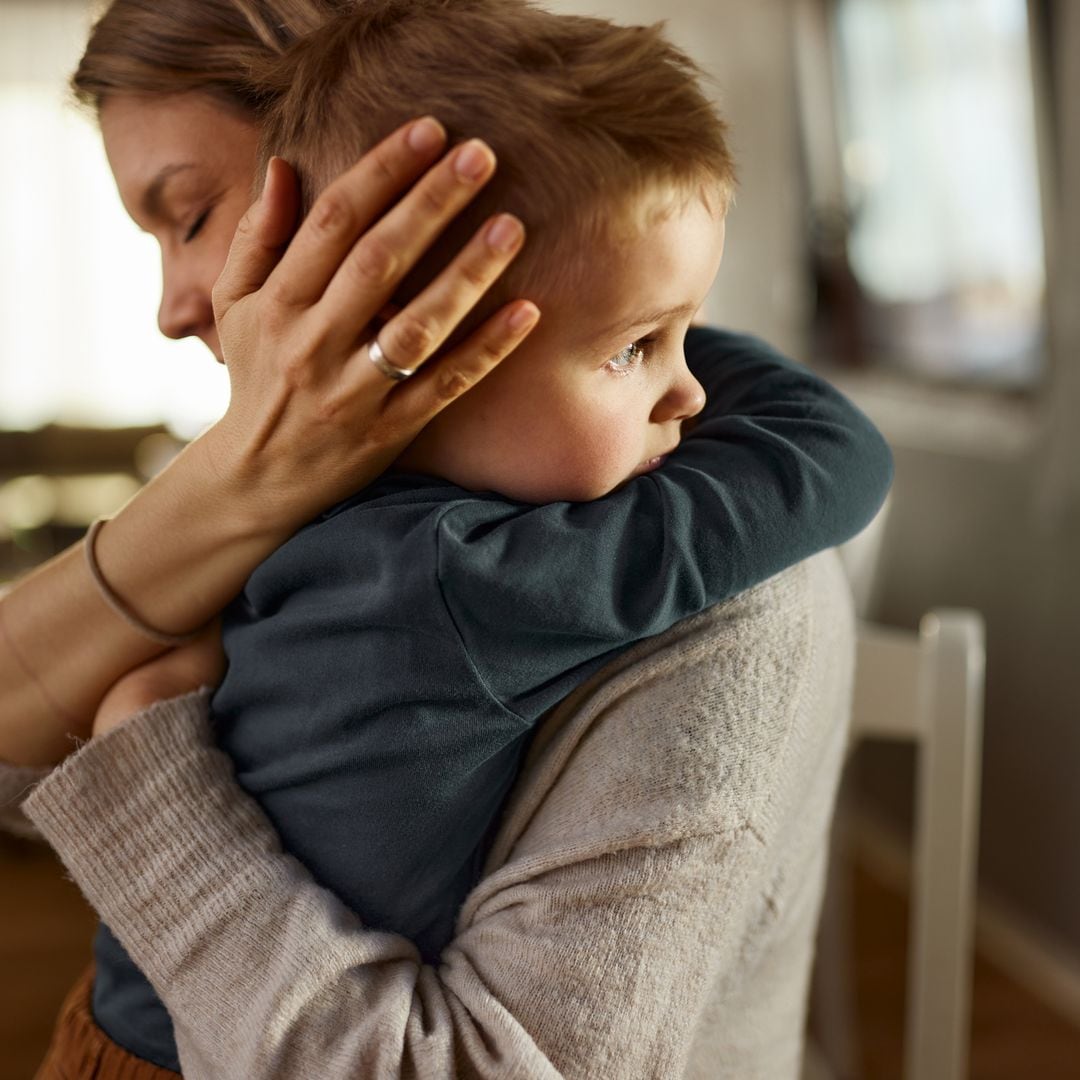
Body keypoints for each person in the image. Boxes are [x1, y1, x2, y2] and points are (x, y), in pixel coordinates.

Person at [0, 1, 892, 1076]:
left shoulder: (684, 559)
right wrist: (234, 480)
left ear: (403, 214)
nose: (172, 306)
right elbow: (19, 771)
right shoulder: (351, 480)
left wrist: (142, 758)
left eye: (190, 215)